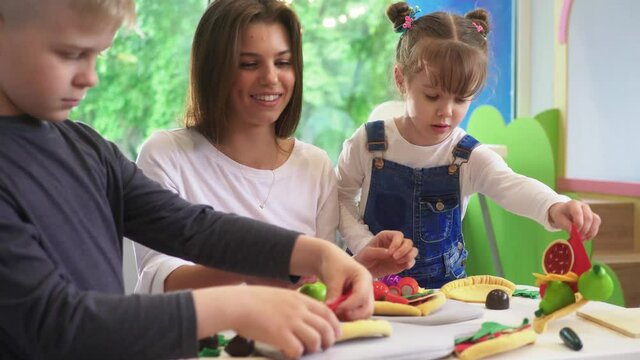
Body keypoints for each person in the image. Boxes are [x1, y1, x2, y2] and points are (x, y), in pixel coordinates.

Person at [0, 0, 375, 358]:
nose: (91, 78)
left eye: (98, 55)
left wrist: (318, 254)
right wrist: (237, 304)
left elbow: (193, 227)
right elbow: (54, 325)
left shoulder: (88, 150)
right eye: (69, 54)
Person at [133, 0, 418, 294]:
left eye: (282, 62)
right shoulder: (166, 155)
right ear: (213, 69)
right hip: (199, 337)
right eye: (249, 64)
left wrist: (359, 268)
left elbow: (312, 290)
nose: (270, 78)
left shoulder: (314, 165)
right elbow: (160, 280)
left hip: (293, 339)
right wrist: (264, 265)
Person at [337, 2, 601, 289]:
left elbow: (512, 185)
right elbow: (339, 197)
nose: (446, 111)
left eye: (461, 99)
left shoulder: (467, 156)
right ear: (401, 79)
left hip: (445, 294)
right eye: (432, 95)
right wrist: (363, 244)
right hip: (369, 287)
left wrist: (555, 206)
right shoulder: (369, 142)